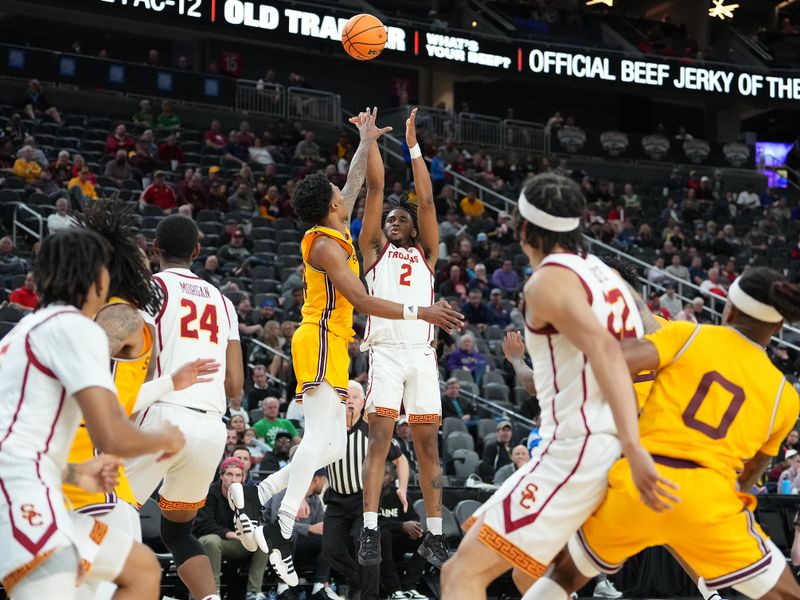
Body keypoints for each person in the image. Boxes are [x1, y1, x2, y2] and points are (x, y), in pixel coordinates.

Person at [248, 108, 461, 588]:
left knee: (329, 445)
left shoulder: (337, 229)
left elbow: (361, 184)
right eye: (339, 198)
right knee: (334, 441)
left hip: (352, 345)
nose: (348, 198)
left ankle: (267, 490)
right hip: (334, 339)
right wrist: (421, 313)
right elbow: (363, 295)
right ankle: (279, 523)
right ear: (332, 208)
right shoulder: (335, 244)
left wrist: (368, 140)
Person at [441, 173, 671, 599]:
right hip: (602, 447)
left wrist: (636, 447)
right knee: (531, 577)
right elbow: (655, 341)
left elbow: (604, 353)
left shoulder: (547, 281)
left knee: (461, 575)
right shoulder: (608, 275)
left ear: (523, 228)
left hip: (578, 447)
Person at [524, 267, 800, 600]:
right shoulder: (785, 396)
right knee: (785, 594)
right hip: (708, 497)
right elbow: (752, 473)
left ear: (728, 308)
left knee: (564, 575)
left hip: (640, 480)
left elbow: (614, 361)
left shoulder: (688, 336)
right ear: (780, 324)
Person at [0, 228, 184, 600]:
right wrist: (164, 437)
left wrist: (72, 472)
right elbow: (111, 436)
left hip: (37, 482)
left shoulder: (23, 333)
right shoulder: (73, 327)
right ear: (98, 277)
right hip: (19, 492)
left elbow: (17, 434)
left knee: (142, 571)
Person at [125, 215, 244, 600]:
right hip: (210, 428)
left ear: (154, 249)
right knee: (178, 531)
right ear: (197, 251)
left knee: (110, 507)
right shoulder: (224, 302)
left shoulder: (150, 289)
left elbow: (135, 354)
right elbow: (235, 386)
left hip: (162, 411)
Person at [357, 107, 448, 569]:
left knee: (429, 445)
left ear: (413, 227)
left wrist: (413, 146)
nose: (393, 221)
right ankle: (370, 527)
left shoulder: (426, 255)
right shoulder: (374, 253)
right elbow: (374, 192)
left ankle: (435, 535)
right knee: (380, 440)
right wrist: (371, 142)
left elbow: (427, 202)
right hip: (388, 353)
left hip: (423, 355)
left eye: (400, 219)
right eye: (389, 220)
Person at [320, 381, 409, 600]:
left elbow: (401, 461)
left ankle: (370, 595)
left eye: (355, 397)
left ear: (363, 403)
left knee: (366, 545)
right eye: (346, 396)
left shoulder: (372, 430)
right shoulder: (327, 428)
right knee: (330, 550)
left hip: (364, 500)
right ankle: (355, 578)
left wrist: (403, 488)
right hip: (336, 499)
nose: (350, 400)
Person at [194, 457, 269, 600]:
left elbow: (257, 521)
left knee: (263, 540)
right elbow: (203, 524)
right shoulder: (209, 493)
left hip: (237, 542)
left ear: (243, 478)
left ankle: (254, 592)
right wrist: (229, 533)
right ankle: (213, 593)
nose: (233, 479)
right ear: (221, 476)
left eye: (238, 475)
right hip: (211, 541)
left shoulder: (248, 495)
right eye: (229, 474)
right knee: (212, 541)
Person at [265, 468, 335, 600]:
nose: (324, 484)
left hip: (304, 545)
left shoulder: (314, 499)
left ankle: (319, 587)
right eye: (324, 480)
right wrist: (308, 528)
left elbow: (319, 526)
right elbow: (276, 522)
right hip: (277, 543)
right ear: (317, 479)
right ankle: (282, 588)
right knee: (290, 536)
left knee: (329, 539)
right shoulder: (284, 493)